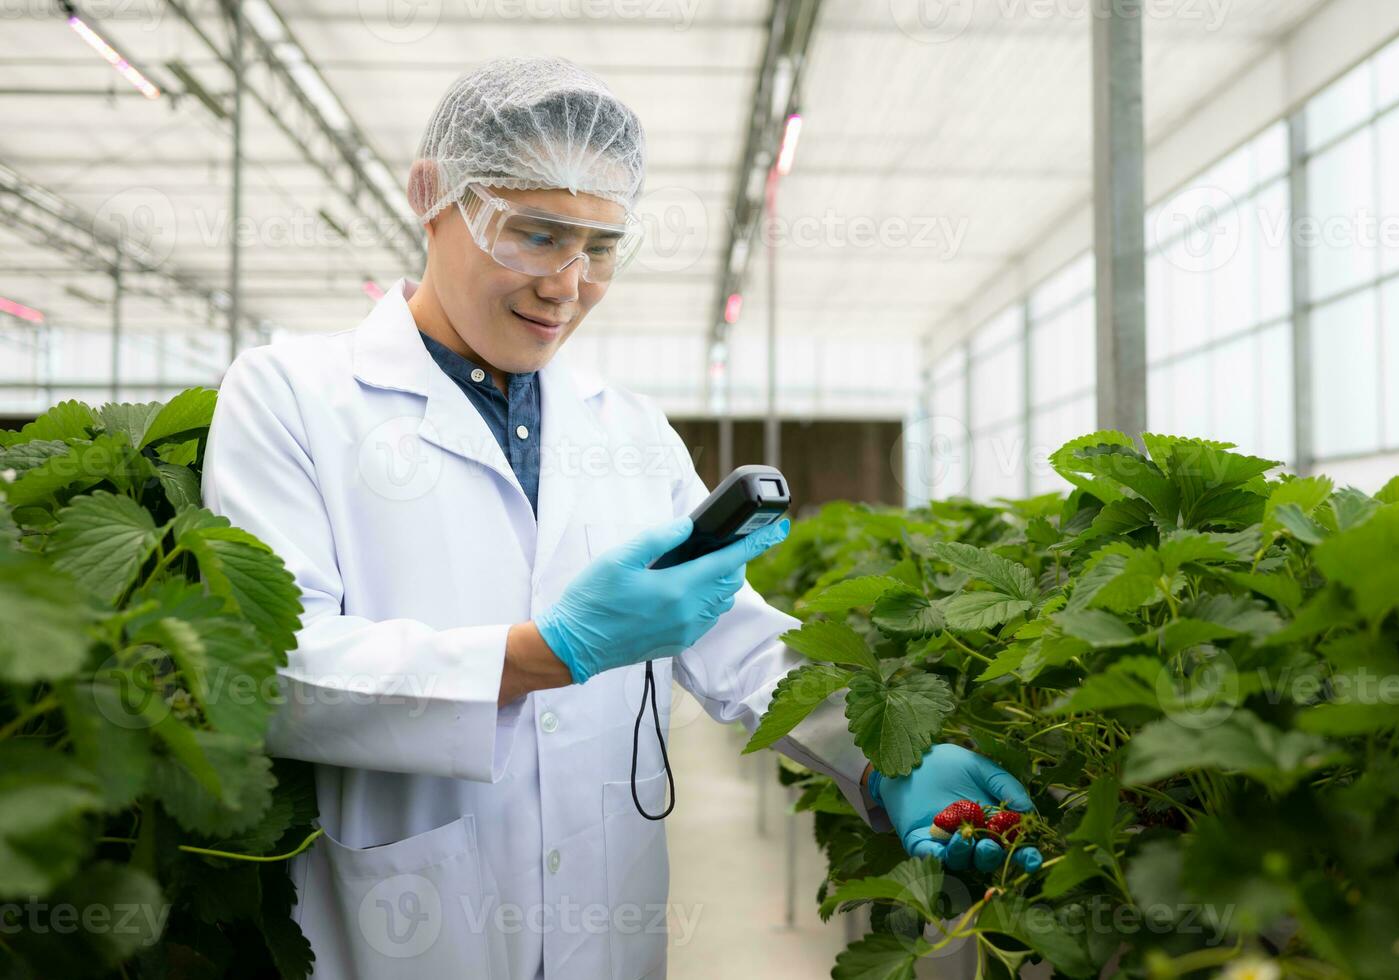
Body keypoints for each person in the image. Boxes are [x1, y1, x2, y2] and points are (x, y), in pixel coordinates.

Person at [201, 55, 1040, 980]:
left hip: (607, 936)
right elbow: (270, 673)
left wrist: (886, 755)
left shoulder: (631, 430)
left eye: (600, 247)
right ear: (429, 195)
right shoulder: (291, 397)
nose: (568, 283)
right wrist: (546, 654)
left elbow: (735, 637)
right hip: (402, 932)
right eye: (534, 234)